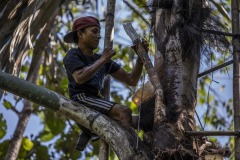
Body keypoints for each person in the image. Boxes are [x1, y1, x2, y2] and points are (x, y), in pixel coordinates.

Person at [63, 16, 148, 151]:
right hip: (81, 99)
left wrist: (140, 58)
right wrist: (102, 60)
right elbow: (79, 77)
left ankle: (88, 132)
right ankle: (135, 149)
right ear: (80, 34)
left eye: (99, 32)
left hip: (95, 100)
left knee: (143, 121)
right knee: (124, 111)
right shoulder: (73, 54)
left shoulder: (102, 60)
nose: (98, 36)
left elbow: (131, 80)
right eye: (94, 31)